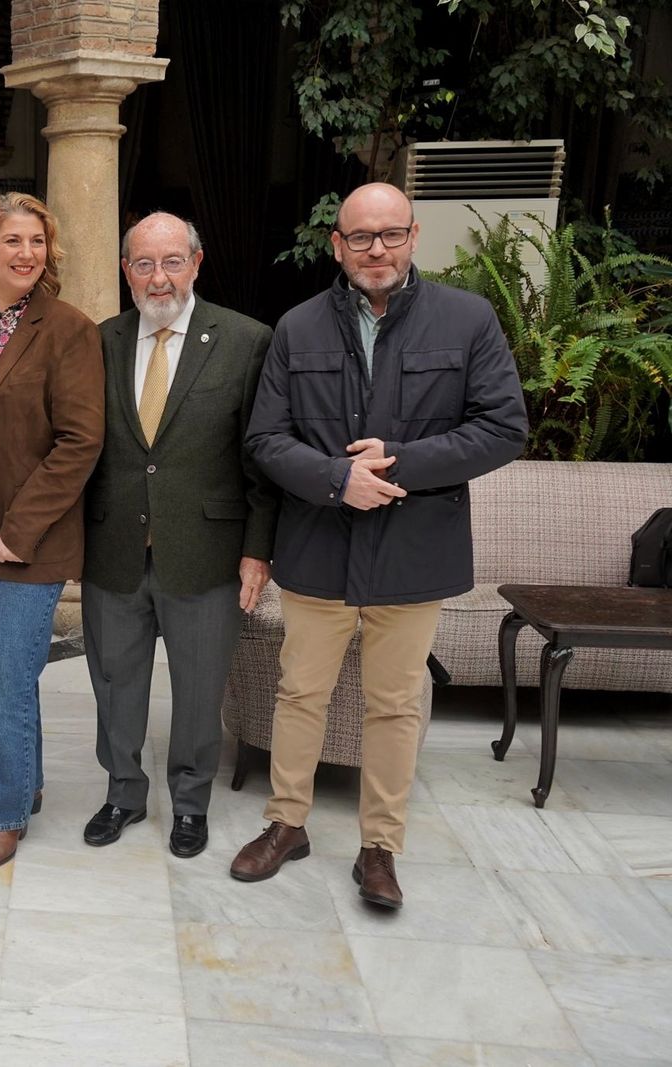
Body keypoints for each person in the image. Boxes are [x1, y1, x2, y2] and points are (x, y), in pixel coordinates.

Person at [231, 183, 526, 908]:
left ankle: (379, 845)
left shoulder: (468, 319)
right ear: (337, 244)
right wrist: (337, 479)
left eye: (390, 234)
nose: (376, 250)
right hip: (318, 546)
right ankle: (286, 823)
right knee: (301, 691)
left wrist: (397, 463)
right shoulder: (296, 328)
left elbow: (504, 427)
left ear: (414, 236)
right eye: (361, 237)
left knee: (395, 703)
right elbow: (264, 439)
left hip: (413, 548)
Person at [81, 213, 278, 858]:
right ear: (125, 271)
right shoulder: (100, 342)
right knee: (114, 680)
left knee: (198, 687)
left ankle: (191, 804)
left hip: (207, 553)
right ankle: (123, 793)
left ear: (196, 264)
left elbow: (263, 458)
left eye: (171, 262)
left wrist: (257, 550)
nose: (158, 277)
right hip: (113, 548)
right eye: (143, 263)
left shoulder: (247, 341)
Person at [0, 192, 104, 870]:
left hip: (25, 528)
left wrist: (21, 529)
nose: (27, 253)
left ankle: (0, 812)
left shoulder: (68, 328)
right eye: (13, 240)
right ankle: (18, 781)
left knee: (7, 675)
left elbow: (80, 439)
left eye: (37, 242)